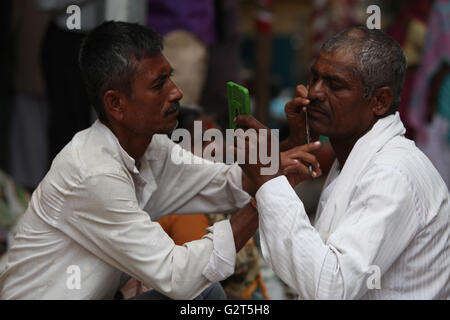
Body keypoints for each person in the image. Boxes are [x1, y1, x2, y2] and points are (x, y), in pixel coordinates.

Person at [0, 21, 269, 300]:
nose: (176, 92)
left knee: (206, 293)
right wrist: (262, 198)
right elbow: (178, 278)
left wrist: (277, 163)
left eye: (170, 77)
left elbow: (225, 183)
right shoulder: (93, 173)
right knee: (200, 293)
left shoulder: (150, 148)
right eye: (158, 85)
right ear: (116, 104)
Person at [234, 26, 450, 299]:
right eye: (314, 78)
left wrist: (269, 179)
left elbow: (331, 287)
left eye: (335, 85)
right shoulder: (355, 155)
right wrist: (290, 150)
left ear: (379, 101)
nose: (315, 93)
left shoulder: (392, 173)